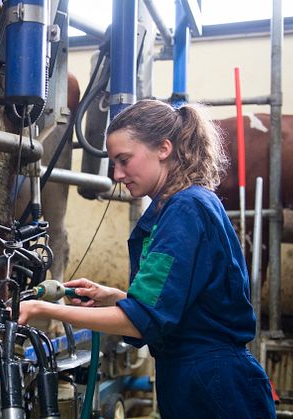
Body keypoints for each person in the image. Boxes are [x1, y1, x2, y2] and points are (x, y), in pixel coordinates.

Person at [18, 99, 277, 418]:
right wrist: (115, 298)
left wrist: (44, 309)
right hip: (195, 377)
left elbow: (142, 321)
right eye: (113, 163)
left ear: (164, 148)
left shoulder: (184, 210)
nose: (116, 174)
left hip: (213, 384)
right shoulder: (181, 207)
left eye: (124, 160)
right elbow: (179, 306)